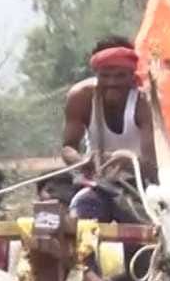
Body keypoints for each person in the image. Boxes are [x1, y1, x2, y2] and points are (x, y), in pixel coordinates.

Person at [61, 36, 155, 222]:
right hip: (95, 184)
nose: (112, 82)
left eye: (120, 75)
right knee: (78, 214)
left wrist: (127, 162)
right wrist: (82, 161)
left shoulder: (146, 102)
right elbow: (67, 148)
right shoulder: (80, 97)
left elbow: (152, 166)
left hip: (140, 188)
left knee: (141, 223)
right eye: (105, 76)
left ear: (133, 74)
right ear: (96, 73)